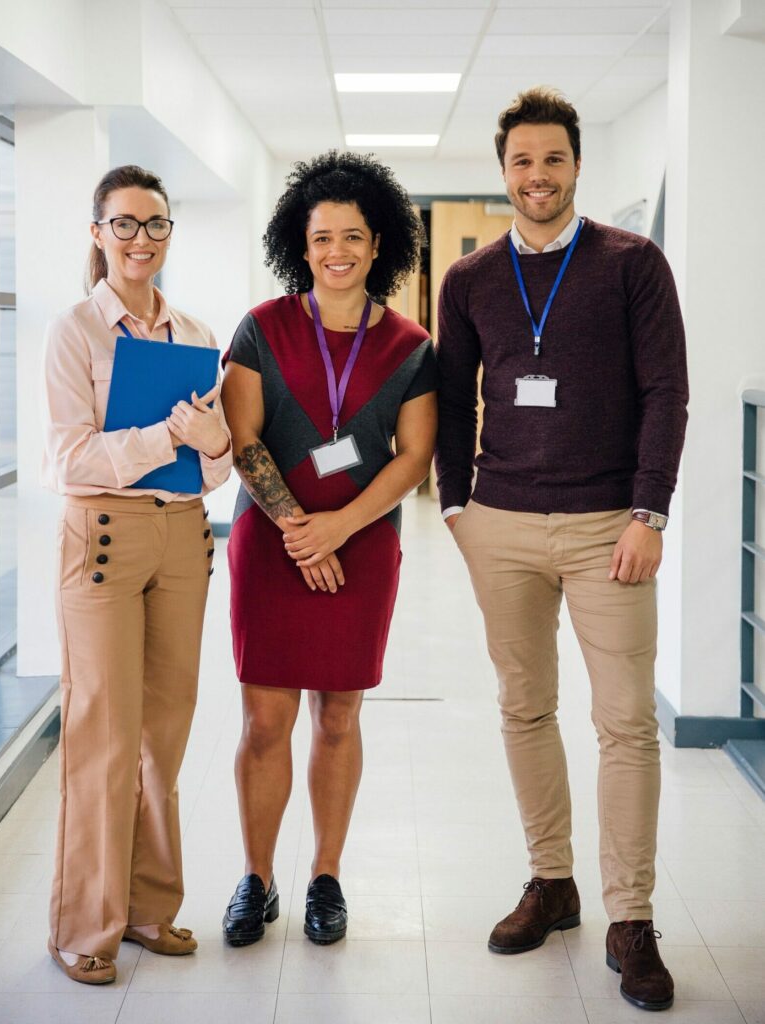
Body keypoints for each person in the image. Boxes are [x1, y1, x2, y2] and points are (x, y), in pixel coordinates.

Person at [435, 87, 688, 1013]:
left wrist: (647, 514)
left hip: (604, 527)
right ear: (501, 173)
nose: (535, 176)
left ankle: (631, 918)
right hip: (499, 521)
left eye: (551, 159)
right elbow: (448, 392)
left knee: (624, 721)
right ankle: (553, 881)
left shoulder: (632, 264)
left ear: (576, 165)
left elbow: (667, 393)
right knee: (524, 707)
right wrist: (455, 512)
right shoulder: (466, 282)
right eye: (520, 162)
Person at [220, 151, 437, 946]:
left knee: (339, 718)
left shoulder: (411, 345)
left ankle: (325, 878)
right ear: (299, 245)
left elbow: (413, 457)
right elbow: (243, 439)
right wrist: (298, 531)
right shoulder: (262, 327)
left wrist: (339, 528)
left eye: (352, 236)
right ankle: (255, 878)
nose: (336, 250)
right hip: (272, 542)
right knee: (265, 721)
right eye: (320, 238)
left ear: (378, 245)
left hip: (364, 543)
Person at [42, 164, 232, 984]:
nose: (141, 240)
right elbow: (68, 459)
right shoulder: (75, 332)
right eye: (124, 224)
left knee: (163, 736)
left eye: (155, 225)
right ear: (97, 233)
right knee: (103, 737)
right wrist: (167, 436)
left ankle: (151, 909)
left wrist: (213, 438)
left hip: (182, 538)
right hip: (105, 542)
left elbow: (217, 469)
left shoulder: (193, 333)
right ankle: (84, 924)